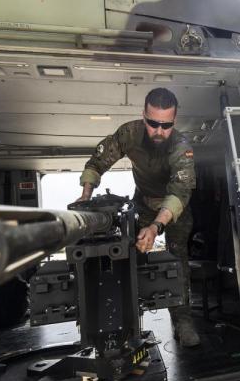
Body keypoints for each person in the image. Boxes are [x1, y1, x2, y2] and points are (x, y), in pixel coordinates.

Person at [76, 87, 200, 347]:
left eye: (166, 125)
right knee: (129, 255)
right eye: (153, 123)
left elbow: (180, 192)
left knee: (178, 260)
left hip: (174, 209)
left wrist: (156, 227)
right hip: (142, 203)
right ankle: (126, 319)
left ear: (174, 121)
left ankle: (183, 321)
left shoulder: (181, 147)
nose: (159, 131)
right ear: (143, 116)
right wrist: (85, 197)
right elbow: (97, 162)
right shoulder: (129, 134)